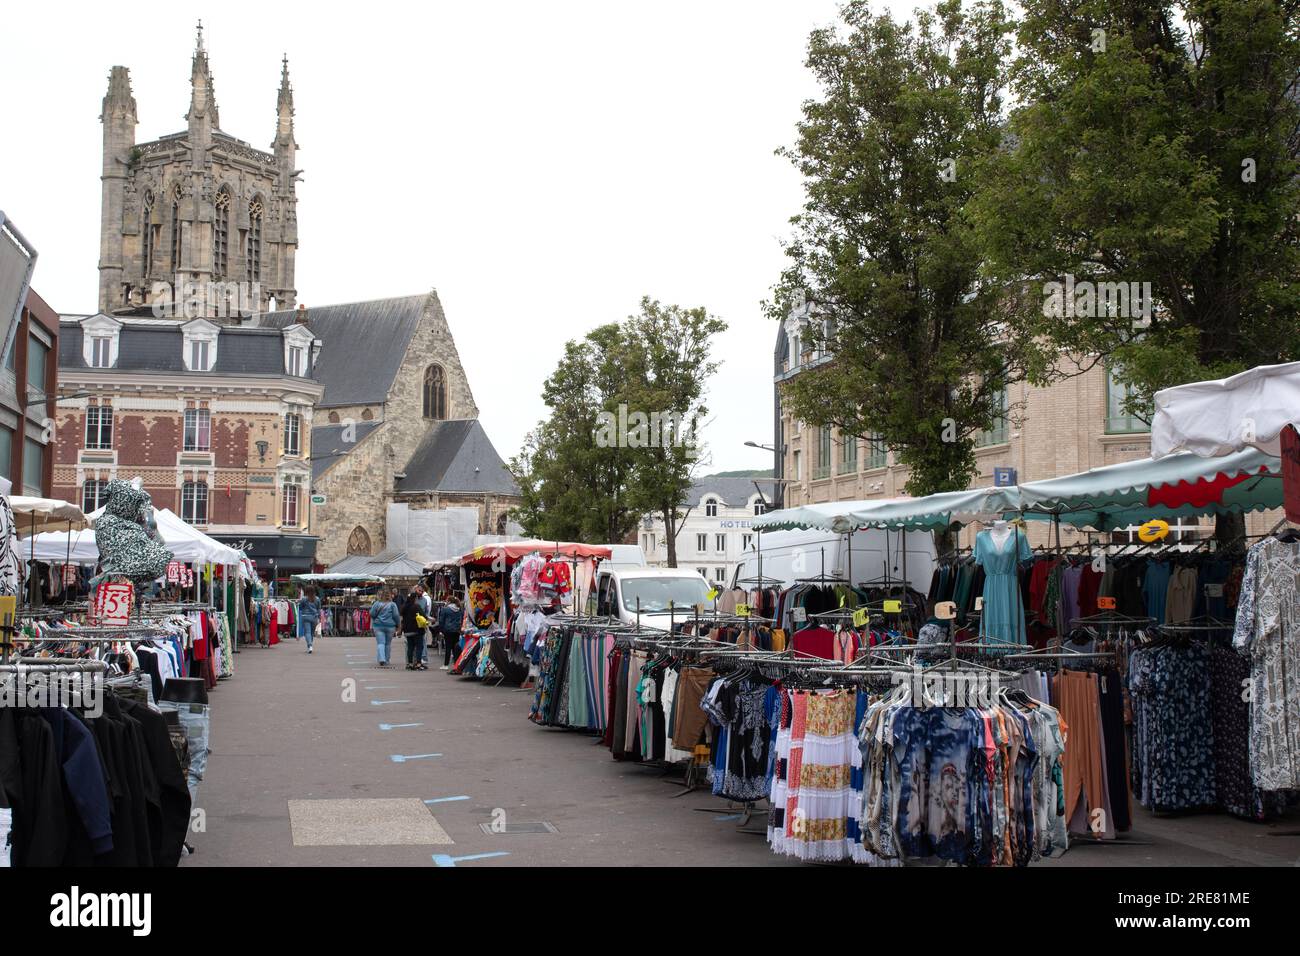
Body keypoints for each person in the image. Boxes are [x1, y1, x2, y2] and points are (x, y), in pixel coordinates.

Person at [369, 588, 400, 667]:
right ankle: (386, 659)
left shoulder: (377, 603)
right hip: (390, 626)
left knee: (380, 643)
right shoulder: (393, 604)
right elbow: (396, 616)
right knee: (388, 644)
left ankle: (381, 659)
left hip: (378, 626)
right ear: (390, 596)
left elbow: (372, 613)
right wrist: (398, 625)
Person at [401, 591, 427, 670]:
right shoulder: (416, 606)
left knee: (410, 647)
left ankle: (410, 663)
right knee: (419, 647)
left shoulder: (404, 607)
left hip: (407, 631)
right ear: (414, 598)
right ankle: (418, 663)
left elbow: (402, 618)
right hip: (417, 630)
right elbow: (423, 615)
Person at [437, 595, 464, 670]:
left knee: (448, 647)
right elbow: (461, 620)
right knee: (455, 648)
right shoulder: (460, 609)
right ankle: (456, 664)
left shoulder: (445, 609)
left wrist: (441, 630)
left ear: (449, 601)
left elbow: (441, 621)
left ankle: (446, 665)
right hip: (457, 630)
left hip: (448, 630)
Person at [298, 585, 322, 654]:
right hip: (314, 617)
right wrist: (319, 618)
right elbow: (319, 609)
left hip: (305, 617)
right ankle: (310, 646)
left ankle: (310, 646)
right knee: (311, 633)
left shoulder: (304, 599)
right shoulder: (317, 599)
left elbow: (300, 607)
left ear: (306, 591)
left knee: (307, 633)